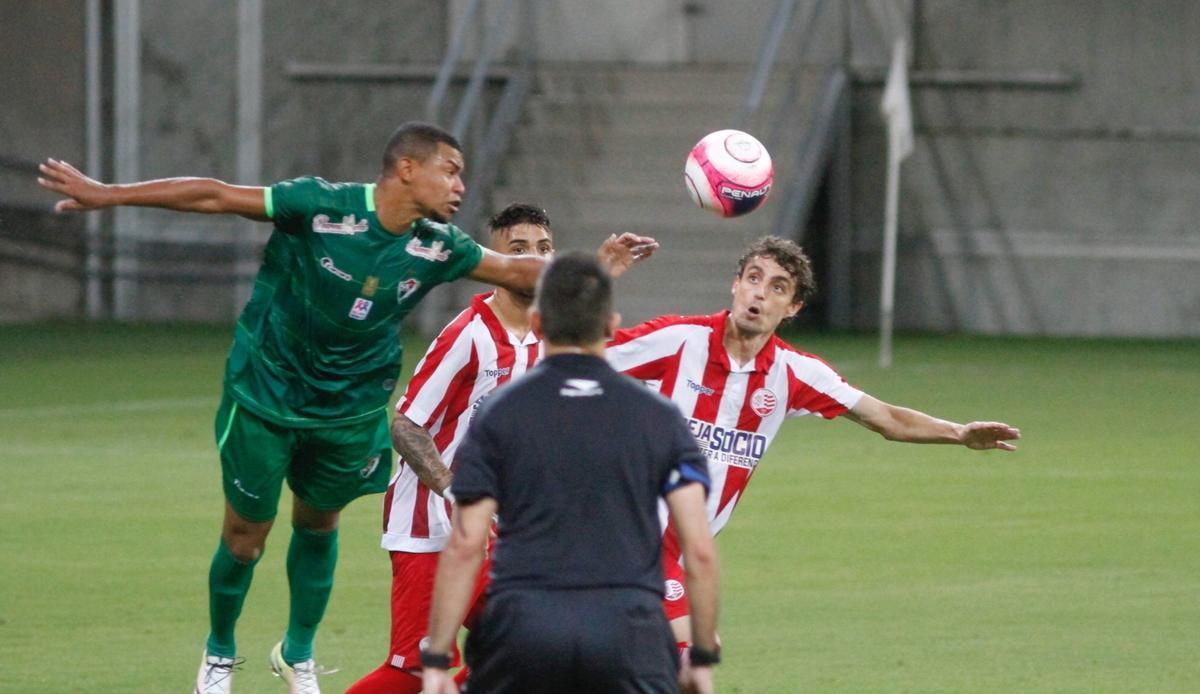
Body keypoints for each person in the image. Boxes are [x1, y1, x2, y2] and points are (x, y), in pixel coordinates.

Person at [36, 122, 656, 694]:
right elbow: (217, 196)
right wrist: (107, 194)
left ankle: (297, 654)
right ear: (407, 169)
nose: (461, 185)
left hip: (350, 408)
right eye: (450, 169)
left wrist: (597, 268)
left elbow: (516, 271)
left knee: (319, 525)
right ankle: (220, 653)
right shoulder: (323, 205)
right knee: (246, 537)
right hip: (267, 393)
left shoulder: (437, 247)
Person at [605, 235, 1020, 651]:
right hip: (631, 537)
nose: (759, 294)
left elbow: (886, 418)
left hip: (676, 551)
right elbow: (574, 348)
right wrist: (602, 273)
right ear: (735, 284)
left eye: (777, 287)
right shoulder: (680, 340)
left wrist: (959, 433)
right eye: (753, 278)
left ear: (793, 308)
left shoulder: (794, 373)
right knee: (694, 652)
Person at [421, 253, 721, 694]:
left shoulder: (499, 413)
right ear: (610, 325)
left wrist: (437, 661)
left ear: (539, 324)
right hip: (629, 634)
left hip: (522, 631)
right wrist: (701, 657)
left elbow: (466, 543)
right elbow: (699, 551)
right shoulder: (659, 417)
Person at [345, 202, 554, 693]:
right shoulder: (469, 335)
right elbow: (406, 425)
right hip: (427, 522)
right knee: (412, 671)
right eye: (517, 250)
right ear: (494, 264)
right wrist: (452, 488)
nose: (534, 260)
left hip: (492, 529)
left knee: (526, 642)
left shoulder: (550, 333)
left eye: (544, 249)